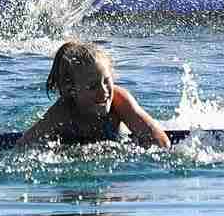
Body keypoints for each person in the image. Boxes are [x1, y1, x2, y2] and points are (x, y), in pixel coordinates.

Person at [18, 40, 169, 148]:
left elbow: (162, 142)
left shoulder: (120, 101)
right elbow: (24, 146)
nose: (103, 91)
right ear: (72, 91)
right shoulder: (64, 110)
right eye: (92, 86)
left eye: (106, 81)